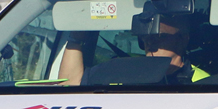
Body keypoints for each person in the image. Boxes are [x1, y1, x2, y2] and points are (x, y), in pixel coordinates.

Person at [60, 16, 209, 85]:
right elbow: (69, 84)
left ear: (183, 39)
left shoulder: (202, 81)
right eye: (145, 36)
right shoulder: (123, 66)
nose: (150, 42)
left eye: (159, 36)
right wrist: (76, 38)